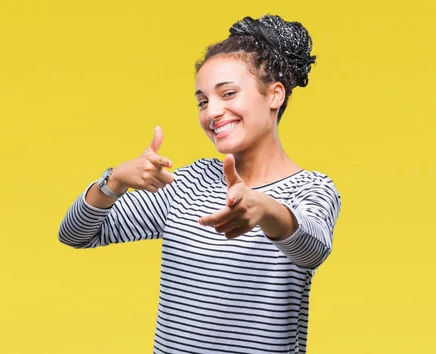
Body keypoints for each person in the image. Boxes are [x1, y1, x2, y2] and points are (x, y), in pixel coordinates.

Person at [58, 14, 342, 354]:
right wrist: (114, 181)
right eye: (203, 102)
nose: (212, 112)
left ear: (275, 95)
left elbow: (312, 251)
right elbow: (76, 234)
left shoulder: (310, 189)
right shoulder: (188, 183)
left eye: (228, 93)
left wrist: (263, 208)